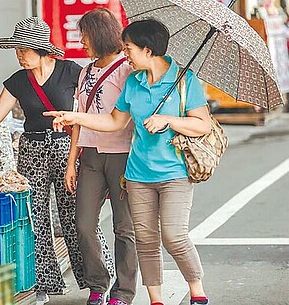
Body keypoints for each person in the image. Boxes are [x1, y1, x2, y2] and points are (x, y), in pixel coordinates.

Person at [0, 16, 114, 304]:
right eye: (17, 51)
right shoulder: (18, 81)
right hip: (31, 150)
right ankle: (42, 284)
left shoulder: (72, 71)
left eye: (24, 50)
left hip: (65, 149)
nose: (20, 56)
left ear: (41, 49)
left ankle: (99, 281)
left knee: (78, 217)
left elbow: (90, 109)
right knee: (36, 219)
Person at [46, 18, 212, 305]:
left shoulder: (185, 80)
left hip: (174, 172)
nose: (125, 55)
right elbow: (113, 121)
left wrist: (168, 120)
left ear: (147, 50)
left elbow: (203, 125)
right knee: (146, 241)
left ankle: (196, 288)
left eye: (129, 49)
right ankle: (155, 299)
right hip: (137, 173)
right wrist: (75, 117)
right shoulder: (133, 81)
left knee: (173, 235)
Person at [66, 8, 138, 305]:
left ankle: (123, 292)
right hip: (91, 156)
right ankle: (98, 283)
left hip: (122, 155)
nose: (81, 41)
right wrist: (72, 162)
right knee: (84, 223)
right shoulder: (85, 71)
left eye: (84, 35)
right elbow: (79, 118)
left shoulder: (128, 70)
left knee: (124, 228)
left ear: (97, 34)